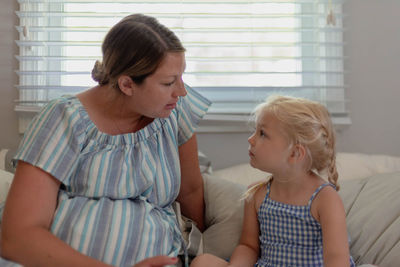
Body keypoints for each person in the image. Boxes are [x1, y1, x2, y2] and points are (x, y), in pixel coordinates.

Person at [0, 14, 211, 267]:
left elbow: (190, 191)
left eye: (181, 76)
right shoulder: (64, 119)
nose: (182, 91)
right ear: (127, 84)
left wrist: (199, 250)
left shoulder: (173, 109)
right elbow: (18, 236)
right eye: (168, 82)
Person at [190, 95, 355, 267]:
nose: (251, 139)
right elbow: (248, 246)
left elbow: (337, 258)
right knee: (203, 262)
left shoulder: (325, 198)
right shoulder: (257, 194)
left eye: (262, 134)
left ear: (295, 154)